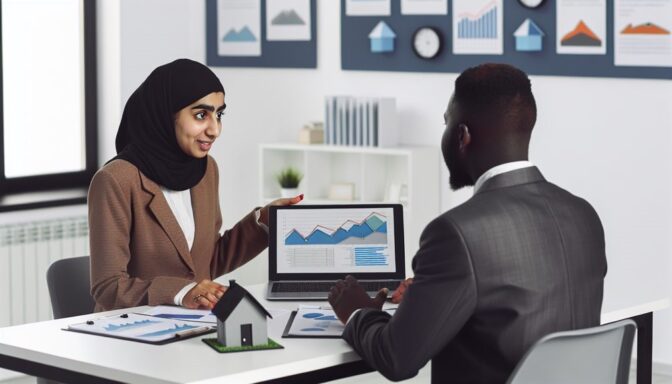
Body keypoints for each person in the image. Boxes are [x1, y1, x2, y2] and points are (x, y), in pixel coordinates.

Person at [328, 63, 607, 383]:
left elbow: (396, 358)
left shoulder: (456, 233)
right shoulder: (582, 213)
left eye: (447, 124)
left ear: (462, 135)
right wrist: (428, 295)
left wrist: (357, 312)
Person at [88, 59, 301, 312]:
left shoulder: (205, 169)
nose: (215, 130)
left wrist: (263, 222)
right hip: (132, 335)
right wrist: (181, 292)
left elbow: (205, 262)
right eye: (201, 115)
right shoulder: (116, 180)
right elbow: (108, 287)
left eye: (219, 114)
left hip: (192, 327)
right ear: (166, 115)